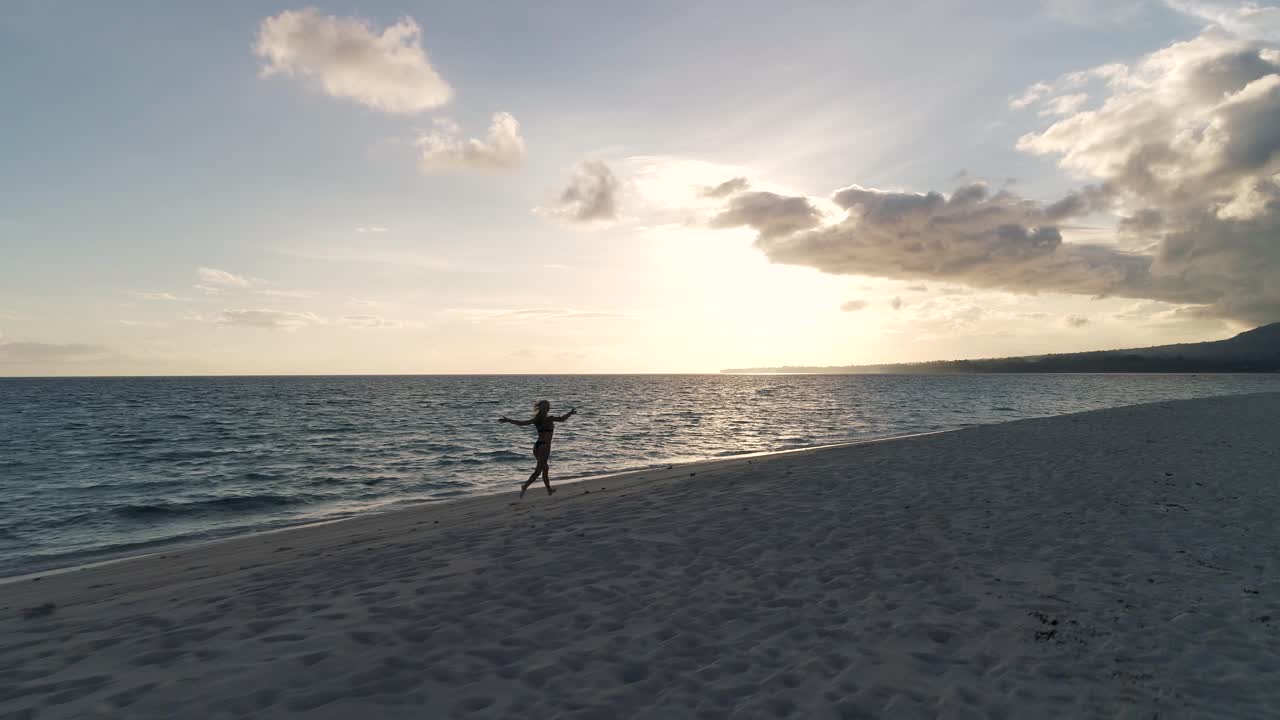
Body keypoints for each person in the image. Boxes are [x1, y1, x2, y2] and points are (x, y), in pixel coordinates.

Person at [499, 400, 576, 498]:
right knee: (538, 471)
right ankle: (525, 486)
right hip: (543, 448)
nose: (545, 409)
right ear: (540, 408)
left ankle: (549, 490)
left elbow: (562, 419)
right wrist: (509, 420)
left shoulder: (549, 418)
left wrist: (570, 413)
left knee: (545, 468)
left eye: (546, 407)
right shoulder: (538, 420)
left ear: (548, 409)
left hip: (538, 447)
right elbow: (522, 423)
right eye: (543, 407)